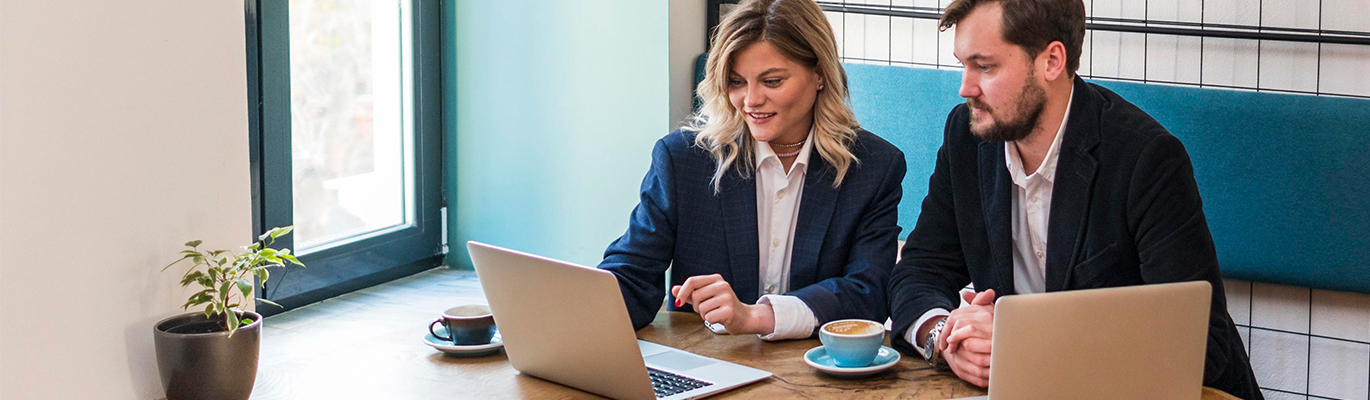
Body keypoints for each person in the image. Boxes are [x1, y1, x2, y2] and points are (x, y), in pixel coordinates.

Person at [885, 0, 1262, 398]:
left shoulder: (1145, 158)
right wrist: (947, 340)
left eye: (985, 66)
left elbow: (1201, 342)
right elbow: (920, 272)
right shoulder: (967, 136)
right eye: (964, 64)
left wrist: (1019, 341)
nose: (965, 87)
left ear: (1051, 61)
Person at [598, 0, 905, 340]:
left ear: (819, 74)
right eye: (736, 82)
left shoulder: (874, 167)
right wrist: (575, 311)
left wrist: (758, 316)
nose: (750, 100)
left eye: (771, 81)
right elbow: (631, 274)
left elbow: (868, 293)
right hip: (706, 367)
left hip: (816, 373)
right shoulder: (683, 160)